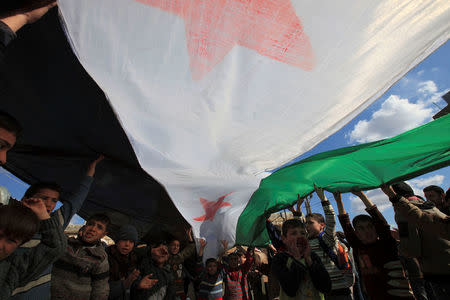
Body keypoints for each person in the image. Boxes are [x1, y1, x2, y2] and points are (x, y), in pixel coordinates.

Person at [11, 155, 104, 299]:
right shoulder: (11, 226)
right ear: (26, 200)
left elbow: (75, 201)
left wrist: (90, 172)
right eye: (44, 198)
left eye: (54, 200)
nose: (49, 204)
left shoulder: (54, 224)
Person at [334, 190, 415, 300]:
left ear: (376, 229)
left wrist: (361, 195)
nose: (367, 231)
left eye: (370, 226)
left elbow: (380, 221)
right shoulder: (359, 247)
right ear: (356, 233)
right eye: (361, 229)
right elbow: (346, 225)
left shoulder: (387, 245)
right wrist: (338, 200)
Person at [382, 184, 450, 299]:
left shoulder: (403, 213)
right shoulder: (431, 206)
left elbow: (411, 250)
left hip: (439, 274)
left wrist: (400, 242)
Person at [0, 198, 67, 299]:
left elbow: (55, 247)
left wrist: (43, 215)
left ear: (19, 245)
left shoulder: (13, 269)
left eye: (11, 241)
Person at [306, 187, 354, 299]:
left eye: (310, 223)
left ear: (322, 225)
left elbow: (331, 219)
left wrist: (323, 198)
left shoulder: (327, 238)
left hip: (341, 290)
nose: (307, 226)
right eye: (306, 224)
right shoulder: (308, 242)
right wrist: (297, 210)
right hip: (325, 291)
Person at [51, 213, 111, 300]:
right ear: (85, 226)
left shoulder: (100, 258)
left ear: (103, 234)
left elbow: (100, 289)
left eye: (99, 227)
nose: (93, 229)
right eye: (90, 224)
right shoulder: (65, 244)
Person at [272, 218, 331, 299]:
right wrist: (297, 258)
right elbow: (291, 290)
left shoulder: (313, 257)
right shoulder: (280, 259)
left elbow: (326, 287)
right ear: (284, 239)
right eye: (294, 233)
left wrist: (309, 260)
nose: (299, 236)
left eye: (303, 233)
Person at [106, 224, 141, 300]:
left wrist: (139, 285)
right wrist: (124, 284)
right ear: (117, 241)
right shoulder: (106, 257)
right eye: (124, 240)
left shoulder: (134, 259)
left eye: (131, 241)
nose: (127, 244)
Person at [166, 228, 196, 300]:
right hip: (168, 293)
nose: (176, 247)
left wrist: (189, 236)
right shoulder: (165, 258)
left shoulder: (179, 259)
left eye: (178, 246)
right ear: (168, 246)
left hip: (179, 292)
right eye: (173, 245)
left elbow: (189, 250)